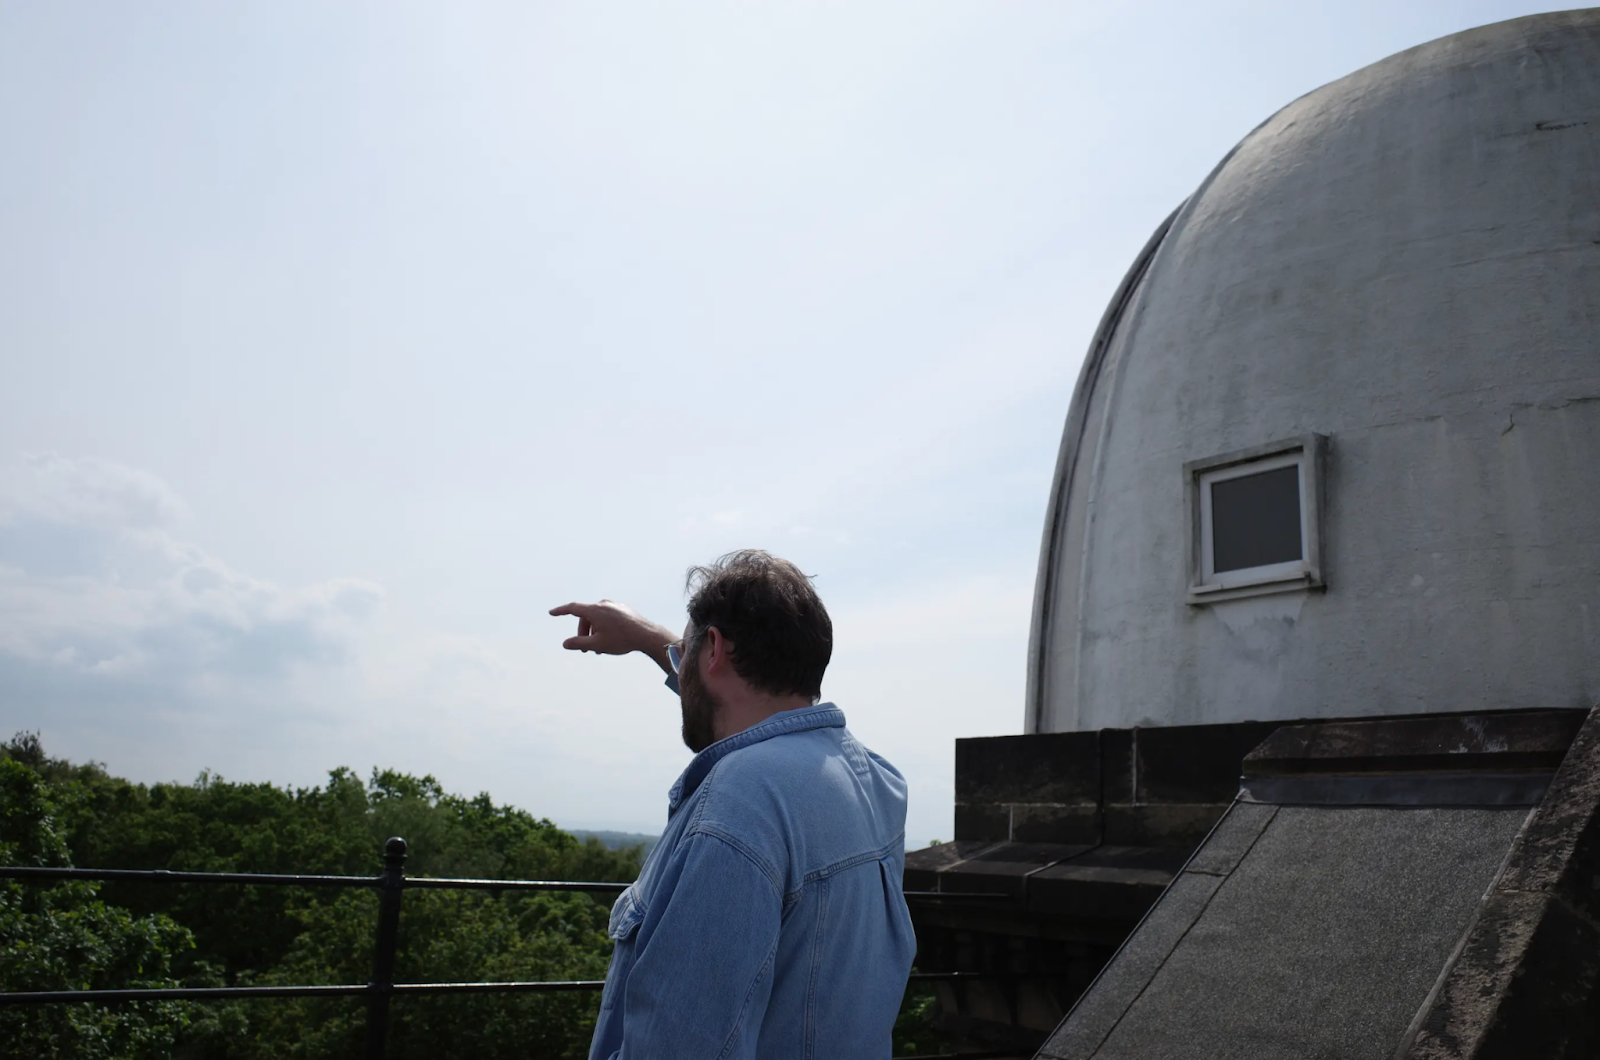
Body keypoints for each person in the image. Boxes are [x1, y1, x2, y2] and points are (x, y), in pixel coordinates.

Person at [550, 550, 916, 1060]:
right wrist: (650, 638)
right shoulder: (872, 780)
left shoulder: (740, 802)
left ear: (715, 649)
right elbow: (736, 695)